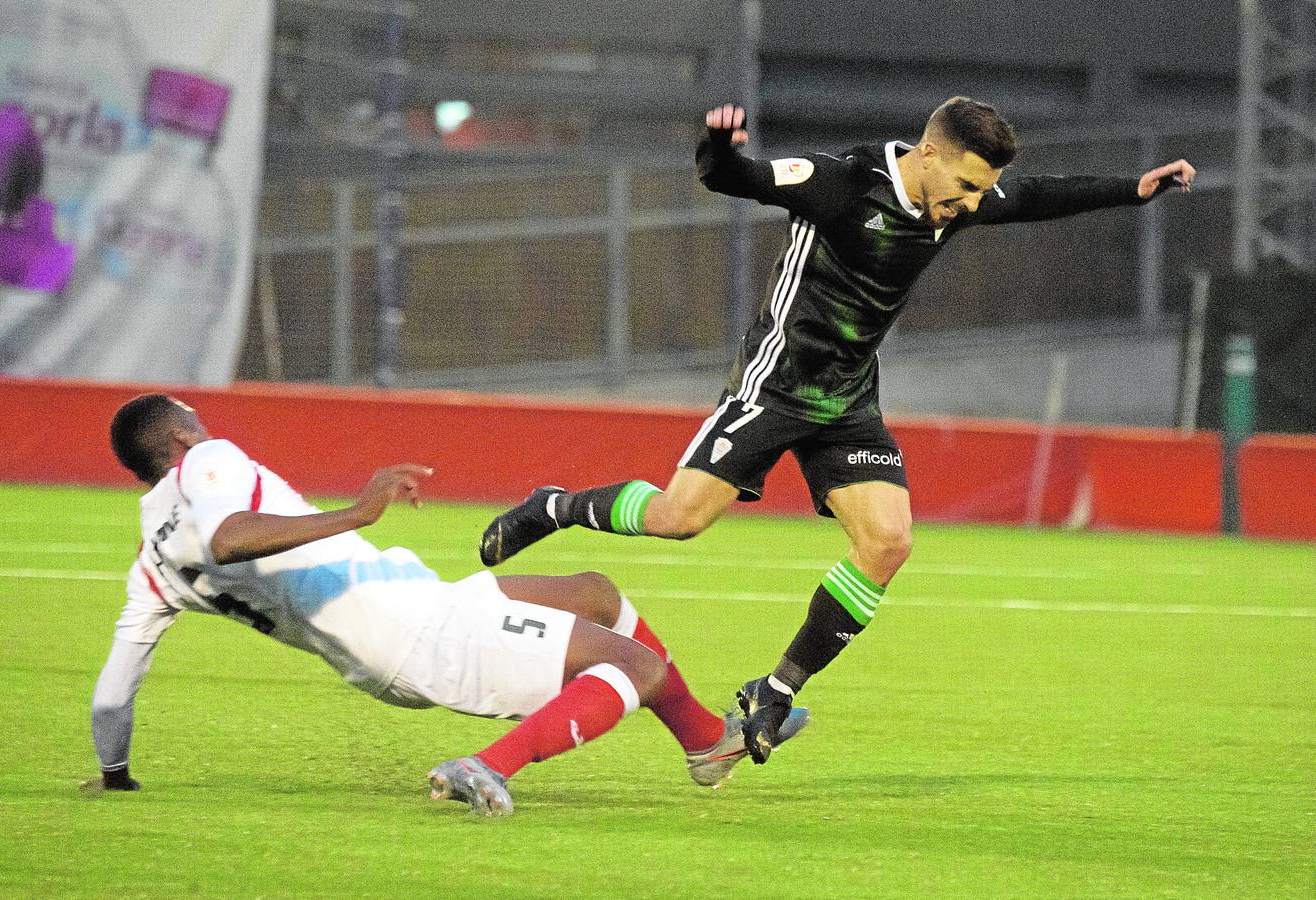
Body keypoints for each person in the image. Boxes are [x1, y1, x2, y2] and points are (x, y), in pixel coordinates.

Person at [479, 97, 1196, 764]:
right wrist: (720, 147)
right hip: (776, 382)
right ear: (928, 153)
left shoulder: (957, 201)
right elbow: (742, 179)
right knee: (677, 518)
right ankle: (555, 506)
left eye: (982, 191)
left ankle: (777, 690)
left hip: (848, 400)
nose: (975, 203)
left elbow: (1037, 197)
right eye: (970, 184)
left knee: (889, 542)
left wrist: (1131, 188)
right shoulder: (843, 182)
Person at [87, 394, 807, 817]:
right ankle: (489, 766)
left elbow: (113, 695)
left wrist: (115, 775)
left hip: (400, 624)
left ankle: (706, 743)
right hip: (415, 632)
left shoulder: (150, 565)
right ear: (182, 437)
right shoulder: (208, 461)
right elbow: (228, 537)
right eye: (196, 419)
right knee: (637, 667)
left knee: (596, 593)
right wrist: (358, 512)